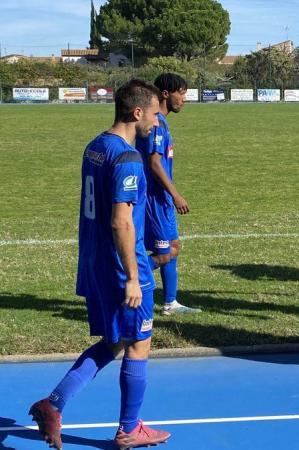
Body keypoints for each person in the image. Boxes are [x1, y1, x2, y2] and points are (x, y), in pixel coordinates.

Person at [29, 79, 171, 449]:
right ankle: (129, 428)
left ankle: (53, 404)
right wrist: (133, 279)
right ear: (137, 112)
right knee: (139, 342)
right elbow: (121, 221)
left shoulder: (95, 146)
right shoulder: (127, 157)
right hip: (121, 266)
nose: (157, 123)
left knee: (116, 341)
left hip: (94, 262)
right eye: (155, 114)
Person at [135, 73, 200, 315]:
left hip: (160, 198)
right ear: (165, 94)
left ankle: (170, 302)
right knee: (167, 251)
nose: (184, 99)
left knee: (172, 246)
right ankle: (126, 280)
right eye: (181, 93)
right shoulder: (157, 124)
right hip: (155, 198)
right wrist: (175, 194)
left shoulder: (161, 121)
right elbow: (154, 163)